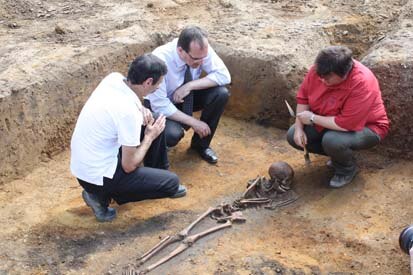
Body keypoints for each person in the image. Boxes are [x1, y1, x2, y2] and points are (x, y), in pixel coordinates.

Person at [70, 54, 187, 222]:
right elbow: (129, 165)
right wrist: (149, 137)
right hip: (98, 178)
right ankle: (99, 197)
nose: (159, 86)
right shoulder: (127, 113)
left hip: (86, 165)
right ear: (148, 82)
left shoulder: (114, 79)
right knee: (171, 183)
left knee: (152, 120)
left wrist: (141, 108)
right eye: (159, 82)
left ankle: (158, 172)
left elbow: (126, 106)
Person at [287, 46, 389, 188]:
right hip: (328, 120)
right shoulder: (319, 70)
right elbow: (303, 98)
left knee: (333, 141)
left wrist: (312, 118)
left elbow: (346, 124)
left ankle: (346, 169)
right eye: (320, 76)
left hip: (367, 127)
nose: (322, 80)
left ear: (344, 73)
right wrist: (299, 128)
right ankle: (338, 156)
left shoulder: (362, 83)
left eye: (328, 77)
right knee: (293, 135)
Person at [145, 26, 231, 164]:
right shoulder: (160, 59)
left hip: (185, 96)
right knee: (172, 134)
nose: (202, 62)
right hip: (161, 105)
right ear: (180, 50)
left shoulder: (201, 50)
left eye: (204, 58)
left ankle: (200, 146)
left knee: (220, 94)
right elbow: (160, 105)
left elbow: (224, 76)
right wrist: (194, 122)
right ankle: (154, 150)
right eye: (196, 59)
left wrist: (189, 86)